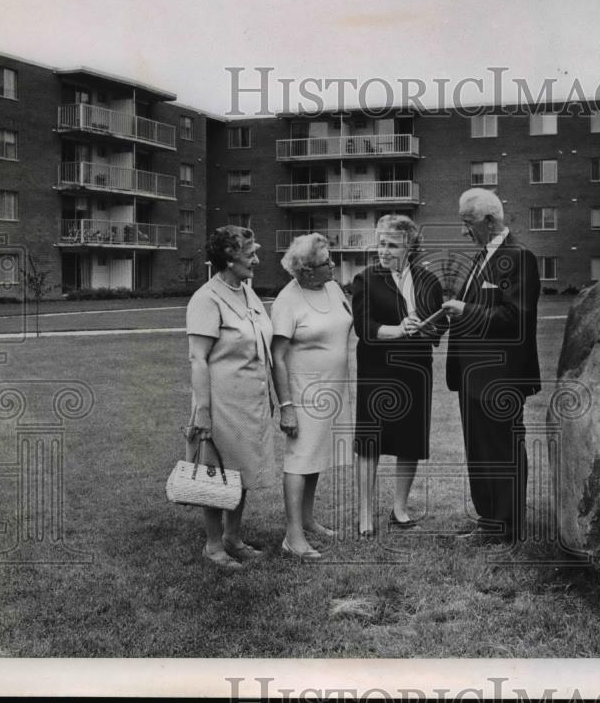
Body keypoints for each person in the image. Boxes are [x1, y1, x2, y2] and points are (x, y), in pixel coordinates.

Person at [442, 188, 541, 544]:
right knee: (480, 453)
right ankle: (489, 521)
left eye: (467, 223)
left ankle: (507, 526)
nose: (464, 231)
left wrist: (466, 310)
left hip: (500, 378)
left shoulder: (519, 257)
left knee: (502, 451)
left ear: (488, 220)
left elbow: (516, 318)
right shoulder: (483, 256)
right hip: (472, 378)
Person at [185, 226, 275, 570]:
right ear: (228, 258)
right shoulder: (206, 298)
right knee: (215, 473)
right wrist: (203, 411)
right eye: (249, 254)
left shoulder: (247, 293)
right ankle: (212, 544)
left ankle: (233, 537)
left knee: (242, 472)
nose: (256, 259)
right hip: (220, 402)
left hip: (251, 400)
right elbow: (198, 358)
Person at [351, 215, 445, 537]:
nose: (384, 250)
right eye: (381, 243)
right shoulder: (365, 279)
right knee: (370, 442)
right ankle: (365, 516)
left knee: (410, 440)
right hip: (377, 370)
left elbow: (438, 328)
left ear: (410, 246)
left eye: (392, 245)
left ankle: (400, 510)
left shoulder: (429, 281)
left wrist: (429, 325)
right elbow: (364, 327)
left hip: (416, 371)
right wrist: (398, 330)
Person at [271, 233, 353, 559]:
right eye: (326, 262)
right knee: (299, 459)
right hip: (303, 393)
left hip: (332, 390)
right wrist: (286, 407)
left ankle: (307, 520)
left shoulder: (332, 288)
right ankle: (292, 536)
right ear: (305, 270)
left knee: (316, 455)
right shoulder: (287, 301)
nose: (333, 265)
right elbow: (276, 357)